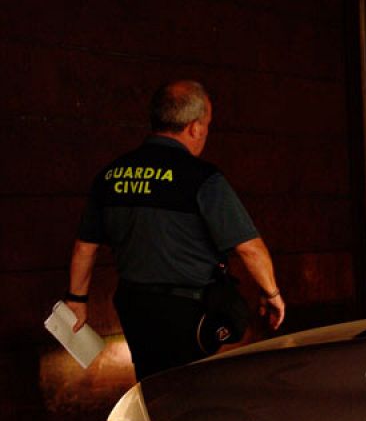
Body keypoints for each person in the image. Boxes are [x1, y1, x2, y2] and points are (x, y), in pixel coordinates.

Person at [66, 80, 284, 381]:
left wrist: (76, 301)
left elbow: (84, 248)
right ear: (194, 128)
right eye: (207, 125)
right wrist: (270, 293)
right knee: (201, 387)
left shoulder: (111, 175)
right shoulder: (202, 178)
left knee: (153, 387)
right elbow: (248, 247)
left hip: (134, 307)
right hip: (191, 313)